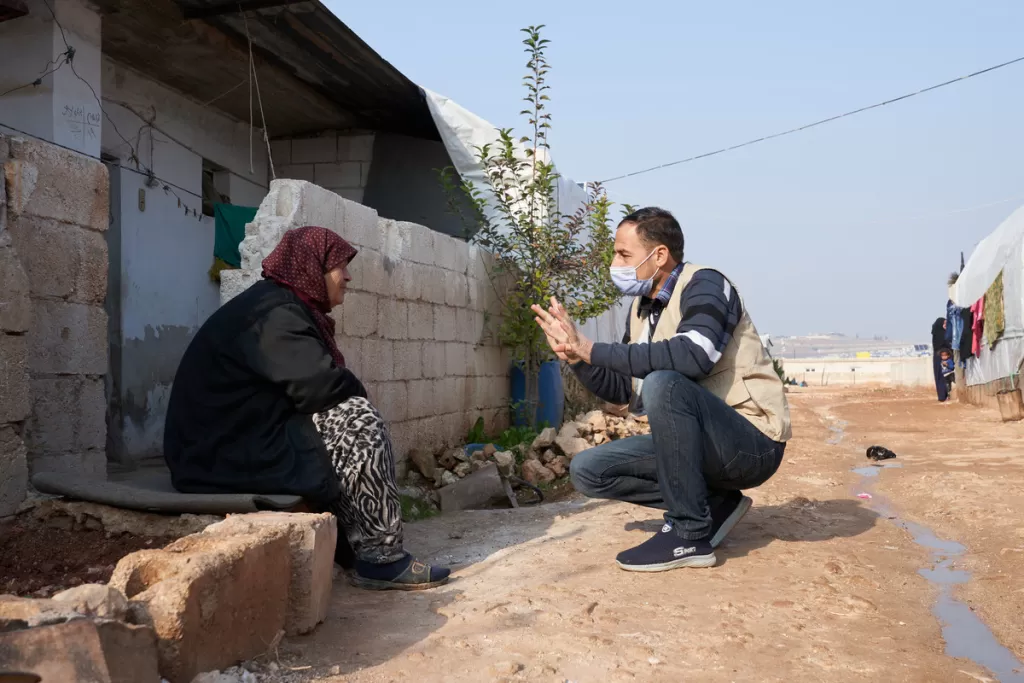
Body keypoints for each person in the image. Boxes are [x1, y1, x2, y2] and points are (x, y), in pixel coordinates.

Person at [164, 226, 450, 590]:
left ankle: (359, 543)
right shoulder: (272, 314)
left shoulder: (281, 306)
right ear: (311, 268)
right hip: (217, 454)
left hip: (235, 440)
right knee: (356, 421)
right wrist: (358, 393)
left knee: (344, 416)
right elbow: (320, 386)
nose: (347, 277)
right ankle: (381, 558)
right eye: (339, 267)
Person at [532, 207, 791, 572]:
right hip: (701, 448)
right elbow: (622, 388)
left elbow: (692, 355)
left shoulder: (707, 285)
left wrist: (591, 348)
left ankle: (689, 535)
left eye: (624, 254)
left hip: (751, 442)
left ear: (659, 256)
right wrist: (576, 358)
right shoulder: (641, 309)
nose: (614, 262)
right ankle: (713, 504)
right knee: (588, 470)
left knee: (664, 380)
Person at [931, 317, 950, 403]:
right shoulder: (942, 335)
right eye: (944, 323)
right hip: (941, 356)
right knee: (941, 376)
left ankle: (943, 396)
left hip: (939, 356)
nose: (945, 325)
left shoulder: (938, 334)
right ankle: (943, 396)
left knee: (943, 376)